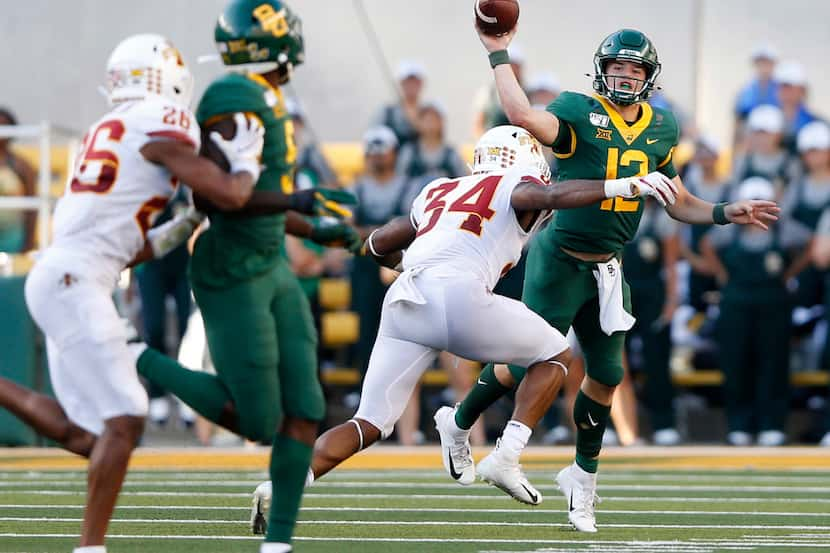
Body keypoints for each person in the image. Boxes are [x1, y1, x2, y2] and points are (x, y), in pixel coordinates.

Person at [436, 24, 780, 533]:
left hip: (609, 264)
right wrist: (497, 52)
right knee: (532, 358)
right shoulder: (579, 110)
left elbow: (677, 201)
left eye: (633, 69)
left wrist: (728, 211)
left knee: (607, 375)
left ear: (648, 77)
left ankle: (581, 477)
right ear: (602, 69)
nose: (624, 76)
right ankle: (463, 423)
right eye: (617, 67)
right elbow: (522, 116)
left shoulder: (662, 128)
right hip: (560, 258)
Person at [250, 124, 681, 528]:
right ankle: (506, 454)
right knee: (556, 354)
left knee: (370, 422)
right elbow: (552, 197)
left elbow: (377, 244)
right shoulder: (515, 185)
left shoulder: (439, 189)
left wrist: (407, 267)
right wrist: (619, 186)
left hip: (406, 299)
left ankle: (282, 487)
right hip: (458, 295)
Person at [0, 33, 277, 552]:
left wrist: (179, 227)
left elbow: (121, 245)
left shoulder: (106, 129)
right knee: (126, 418)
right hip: (74, 280)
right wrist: (245, 160)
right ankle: (90, 549)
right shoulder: (158, 121)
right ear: (163, 77)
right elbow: (232, 194)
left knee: (93, 436)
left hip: (65, 274)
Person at [131, 4, 359, 553]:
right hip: (232, 267)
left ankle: (277, 544)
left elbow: (261, 200)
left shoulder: (270, 99)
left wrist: (324, 230)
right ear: (264, 41)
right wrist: (297, 201)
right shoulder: (234, 101)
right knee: (258, 419)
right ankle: (133, 354)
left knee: (305, 409)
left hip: (271, 264)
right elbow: (219, 195)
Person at [700, 177, 811, 446]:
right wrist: (722, 274)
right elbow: (706, 243)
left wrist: (790, 273)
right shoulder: (729, 229)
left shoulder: (784, 229)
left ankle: (771, 424)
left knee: (773, 362)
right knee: (737, 362)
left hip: (773, 302)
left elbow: (810, 243)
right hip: (736, 303)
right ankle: (739, 423)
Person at [622, 198, 681, 445]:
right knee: (613, 360)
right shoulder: (614, 212)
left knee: (657, 358)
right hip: (618, 290)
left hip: (652, 293)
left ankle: (663, 422)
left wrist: (671, 300)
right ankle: (614, 423)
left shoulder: (661, 218)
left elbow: (670, 264)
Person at [680, 134, 730, 313]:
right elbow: (678, 229)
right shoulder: (689, 187)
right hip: (695, 263)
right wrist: (694, 260)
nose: (705, 159)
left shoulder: (728, 186)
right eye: (702, 155)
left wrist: (717, 267)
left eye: (709, 154)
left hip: (722, 263)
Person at [396, 100, 467, 190]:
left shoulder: (451, 154)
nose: (430, 123)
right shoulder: (408, 152)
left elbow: (462, 183)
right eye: (425, 118)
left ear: (441, 122)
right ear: (418, 123)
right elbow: (399, 184)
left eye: (434, 119)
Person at [0, 108, 37, 252]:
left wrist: (29, 243)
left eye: (4, 127)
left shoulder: (22, 166)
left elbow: (32, 209)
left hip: (13, 239)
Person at [373, 60, 425, 149]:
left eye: (415, 81)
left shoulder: (430, 112)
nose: (411, 85)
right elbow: (374, 139)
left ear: (421, 84)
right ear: (400, 83)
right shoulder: (387, 112)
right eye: (407, 82)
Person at [774, 61, 819, 154]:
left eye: (789, 87)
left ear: (802, 90)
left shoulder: (816, 123)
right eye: (782, 87)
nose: (785, 92)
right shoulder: (765, 120)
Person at [734, 43, 779, 122]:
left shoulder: (781, 90)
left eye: (766, 62)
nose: (763, 67)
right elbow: (739, 118)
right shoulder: (746, 91)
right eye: (760, 63)